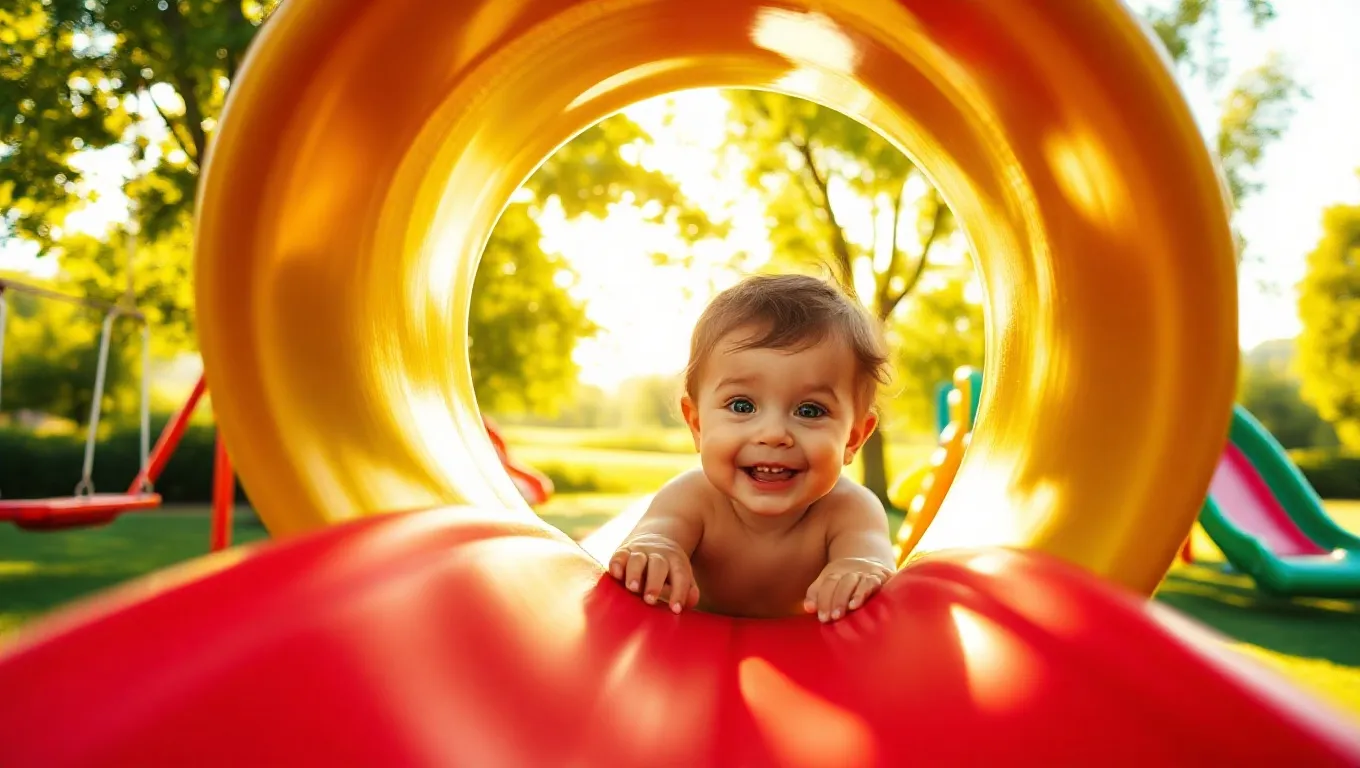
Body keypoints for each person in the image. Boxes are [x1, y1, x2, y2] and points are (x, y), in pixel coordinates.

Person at [607, 273, 897, 622]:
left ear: (852, 438)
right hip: (695, 657)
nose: (773, 434)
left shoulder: (849, 511)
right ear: (697, 424)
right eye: (742, 406)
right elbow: (654, 538)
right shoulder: (692, 498)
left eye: (809, 411)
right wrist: (655, 552)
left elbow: (870, 561)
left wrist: (859, 570)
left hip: (804, 662)